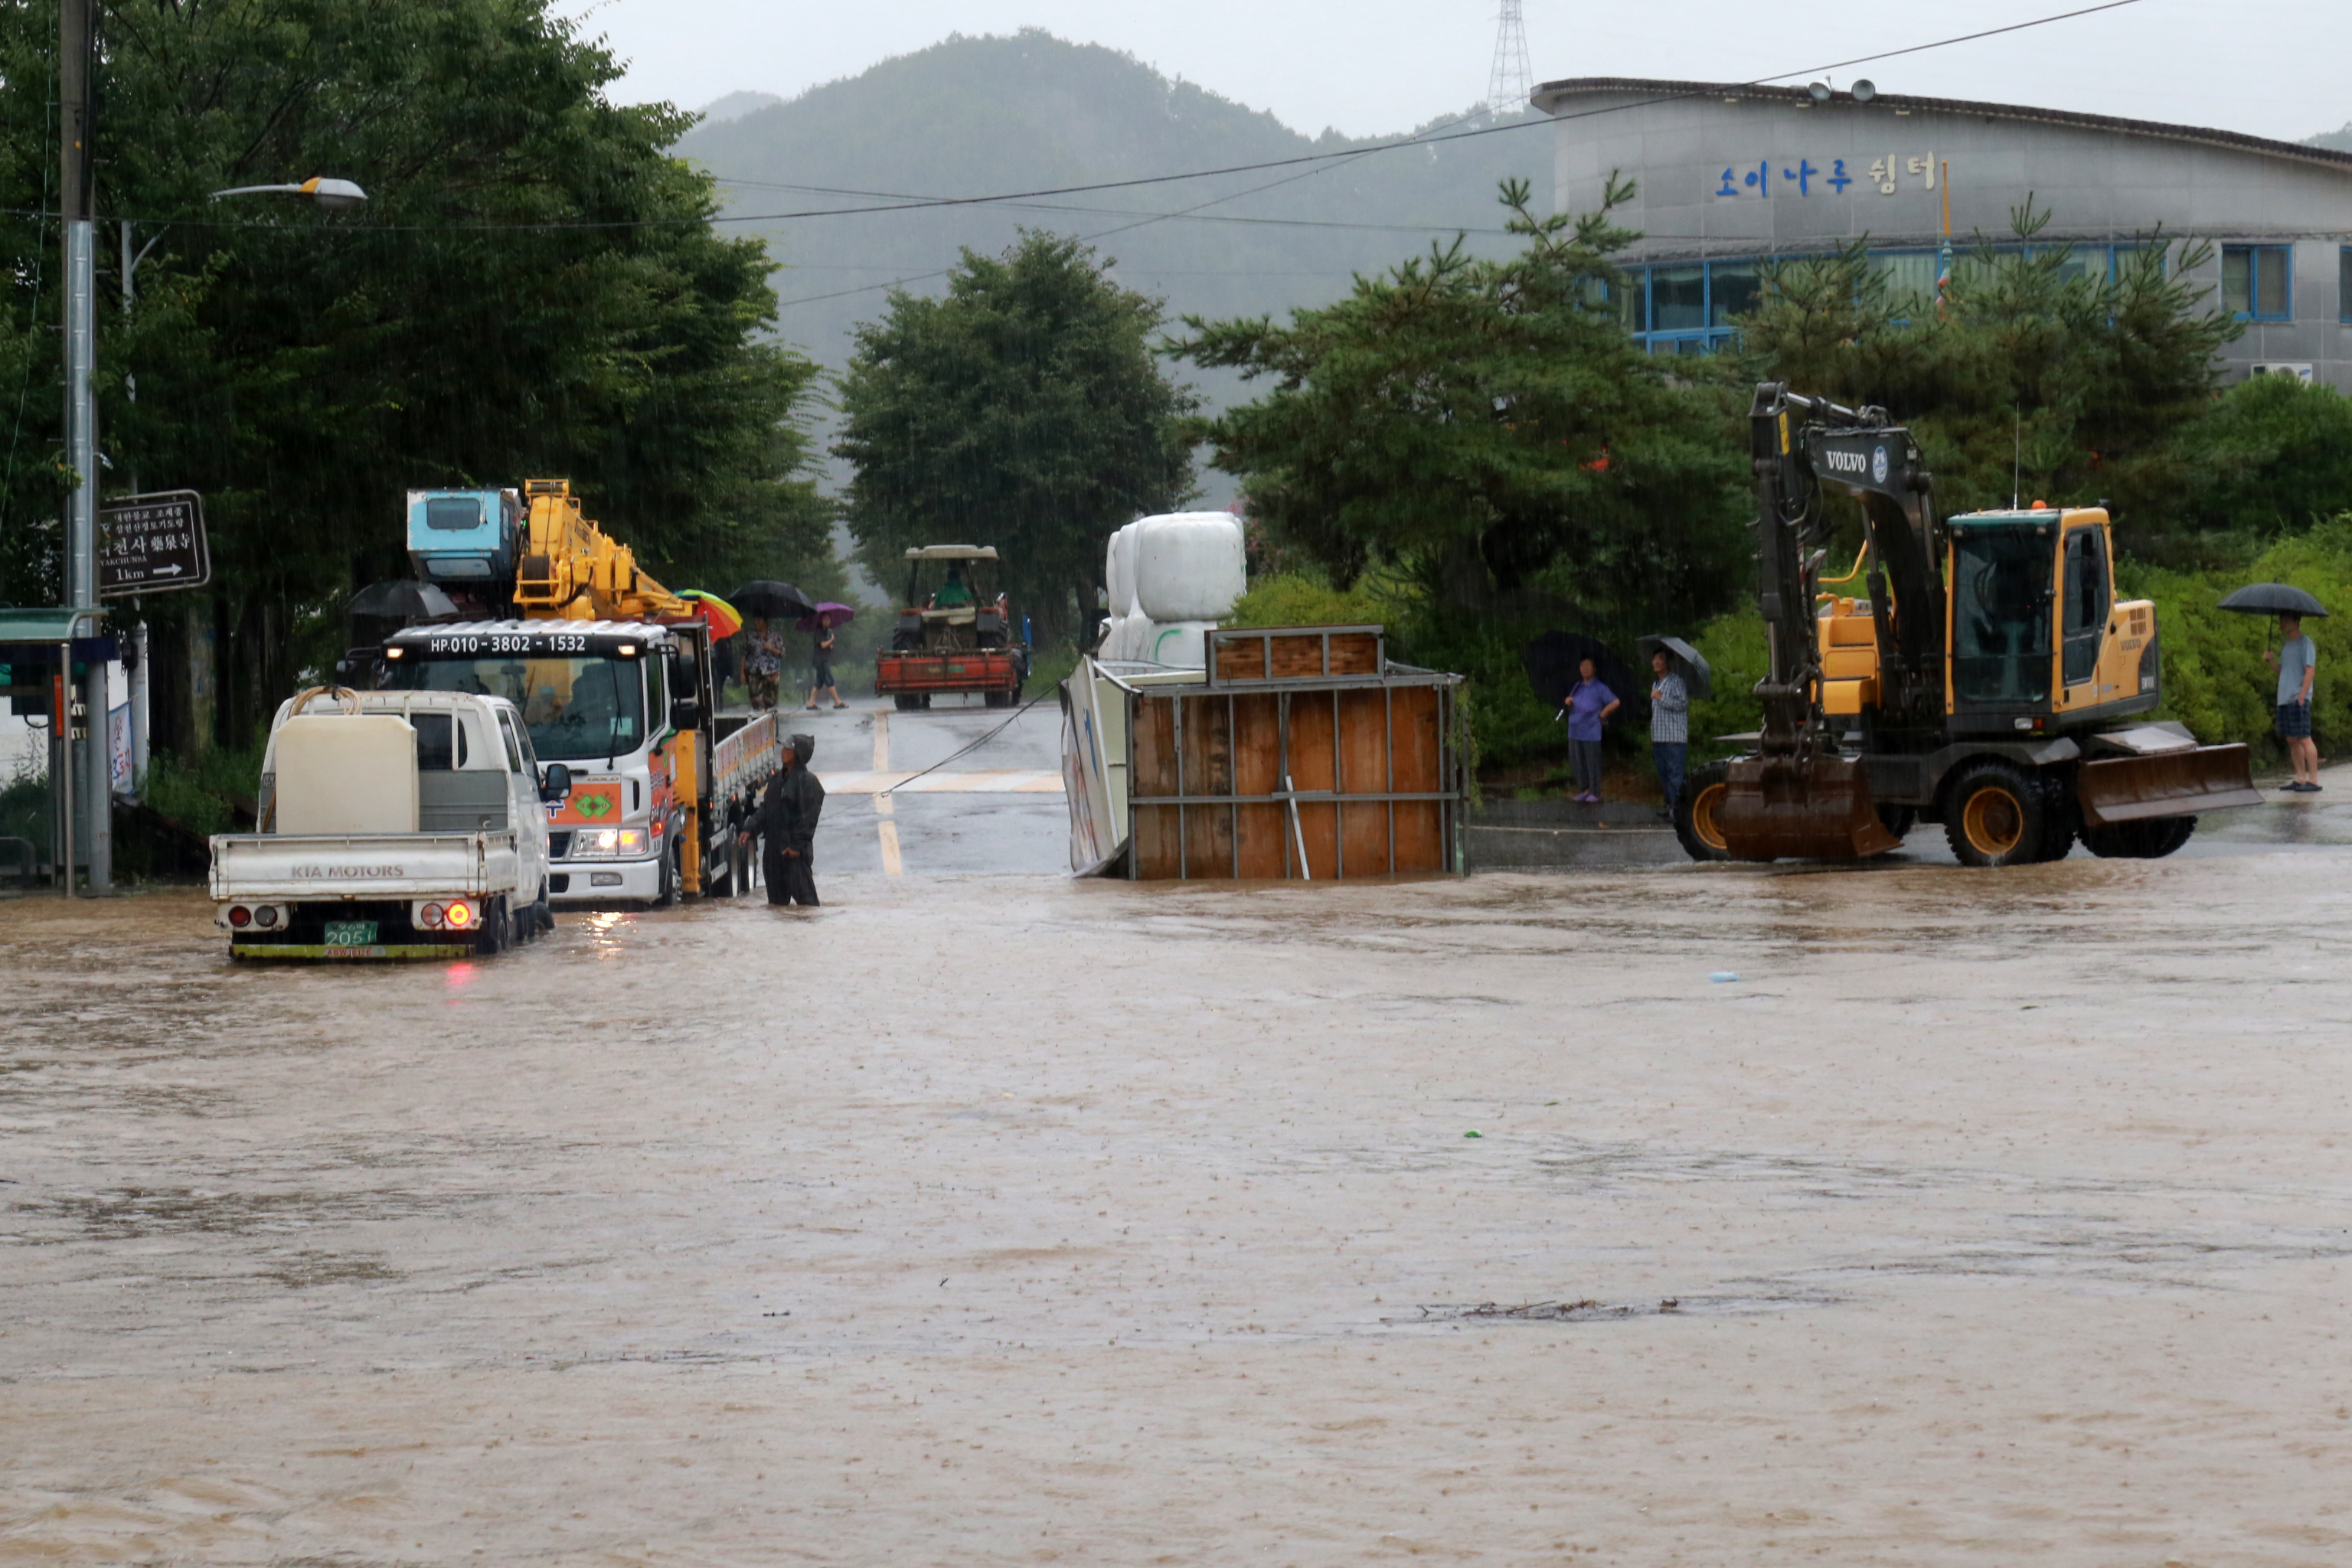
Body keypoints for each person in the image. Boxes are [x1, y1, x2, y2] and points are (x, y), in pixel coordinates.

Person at [740, 732, 825, 906]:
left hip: (794, 856)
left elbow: (809, 819)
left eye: (788, 749)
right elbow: (766, 809)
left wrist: (796, 846)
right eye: (783, 747)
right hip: (773, 855)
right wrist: (750, 829)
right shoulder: (776, 779)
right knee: (777, 908)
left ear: (798, 754)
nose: (782, 751)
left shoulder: (808, 782)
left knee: (807, 907)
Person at [2265, 611, 2321, 792]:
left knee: (2304, 737)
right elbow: (2284, 672)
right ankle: (2301, 778)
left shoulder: (2306, 643)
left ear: (2295, 621)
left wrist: (2302, 696)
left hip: (2298, 697)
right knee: (2292, 739)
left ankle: (2314, 780)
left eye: (2285, 620)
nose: (2282, 623)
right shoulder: (2287, 645)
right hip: (2285, 699)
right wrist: (2271, 661)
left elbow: (2310, 671)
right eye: (2281, 620)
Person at [1559, 655, 1620, 804]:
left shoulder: (1600, 687)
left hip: (1591, 731)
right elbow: (1572, 702)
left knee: (1592, 762)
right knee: (1577, 762)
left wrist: (1603, 713)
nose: (1585, 669)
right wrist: (1568, 701)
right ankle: (1584, 789)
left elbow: (1615, 702)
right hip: (1574, 731)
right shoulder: (1578, 686)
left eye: (1588, 666)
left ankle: (1595, 791)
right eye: (1582, 666)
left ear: (1594, 669)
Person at [1649, 648, 1689, 822]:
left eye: (1661, 659)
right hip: (1658, 736)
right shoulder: (1655, 684)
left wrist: (1661, 698)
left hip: (1674, 737)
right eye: (1655, 659)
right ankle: (1669, 805)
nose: (1657, 663)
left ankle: (1678, 809)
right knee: (1664, 774)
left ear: (1667, 663)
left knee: (1675, 774)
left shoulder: (1676, 681)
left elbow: (1682, 704)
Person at [805, 612, 846, 711]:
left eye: (829, 619)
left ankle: (811, 703)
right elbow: (822, 645)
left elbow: (827, 645)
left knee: (819, 682)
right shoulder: (818, 632)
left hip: (825, 658)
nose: (827, 621)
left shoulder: (828, 631)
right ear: (821, 621)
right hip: (820, 660)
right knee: (829, 679)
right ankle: (837, 702)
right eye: (825, 619)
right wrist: (831, 640)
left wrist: (830, 645)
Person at [743, 616, 784, 712]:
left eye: (758, 620)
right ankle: (760, 716)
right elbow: (743, 654)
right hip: (754, 671)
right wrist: (742, 672)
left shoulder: (775, 636)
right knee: (756, 700)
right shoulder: (750, 636)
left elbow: (782, 654)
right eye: (755, 620)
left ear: (766, 623)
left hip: (771, 672)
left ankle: (766, 714)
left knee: (770, 701)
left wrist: (770, 648)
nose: (756, 623)